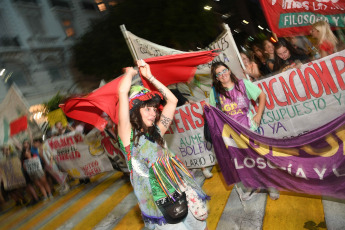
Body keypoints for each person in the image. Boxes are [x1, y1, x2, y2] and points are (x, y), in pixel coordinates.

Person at [118, 60, 209, 230]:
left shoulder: (157, 131)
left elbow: (172, 101)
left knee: (201, 227)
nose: (153, 113)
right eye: (147, 109)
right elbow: (122, 93)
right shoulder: (127, 139)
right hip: (158, 204)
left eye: (154, 109)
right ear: (134, 112)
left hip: (180, 191)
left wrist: (150, 76)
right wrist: (130, 74)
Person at [208, 61, 279, 200]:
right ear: (216, 78)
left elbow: (262, 95)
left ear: (229, 70)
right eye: (219, 74)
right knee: (243, 162)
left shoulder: (242, 84)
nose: (223, 75)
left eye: (224, 71)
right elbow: (213, 113)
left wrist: (258, 114)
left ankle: (271, 185)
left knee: (259, 158)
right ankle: (252, 186)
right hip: (232, 135)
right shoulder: (215, 92)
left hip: (250, 129)